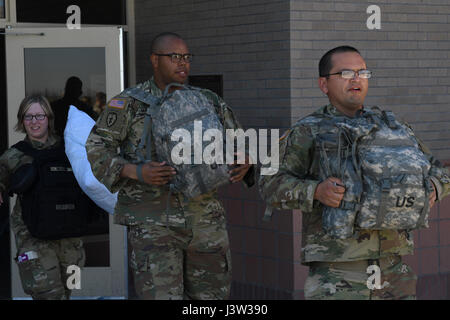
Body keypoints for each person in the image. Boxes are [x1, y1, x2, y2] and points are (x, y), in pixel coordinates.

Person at [259, 46, 450, 300]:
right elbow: (268, 182)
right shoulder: (306, 131)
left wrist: (435, 187)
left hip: (394, 269)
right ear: (324, 84)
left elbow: (439, 170)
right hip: (338, 275)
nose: (356, 78)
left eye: (362, 72)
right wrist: (316, 191)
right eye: (345, 73)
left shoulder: (393, 128)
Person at [86, 32, 254, 300]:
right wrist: (135, 171)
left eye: (187, 57)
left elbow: (239, 143)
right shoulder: (129, 103)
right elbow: (96, 148)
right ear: (155, 60)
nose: (183, 63)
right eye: (174, 57)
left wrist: (245, 162)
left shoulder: (208, 100)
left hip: (205, 221)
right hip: (153, 224)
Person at [0, 95, 85, 299]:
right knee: (48, 295)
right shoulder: (14, 155)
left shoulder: (70, 149)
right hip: (34, 239)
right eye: (28, 117)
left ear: (48, 117)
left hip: (70, 240)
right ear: (22, 121)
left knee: (69, 291)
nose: (34, 122)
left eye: (39, 115)